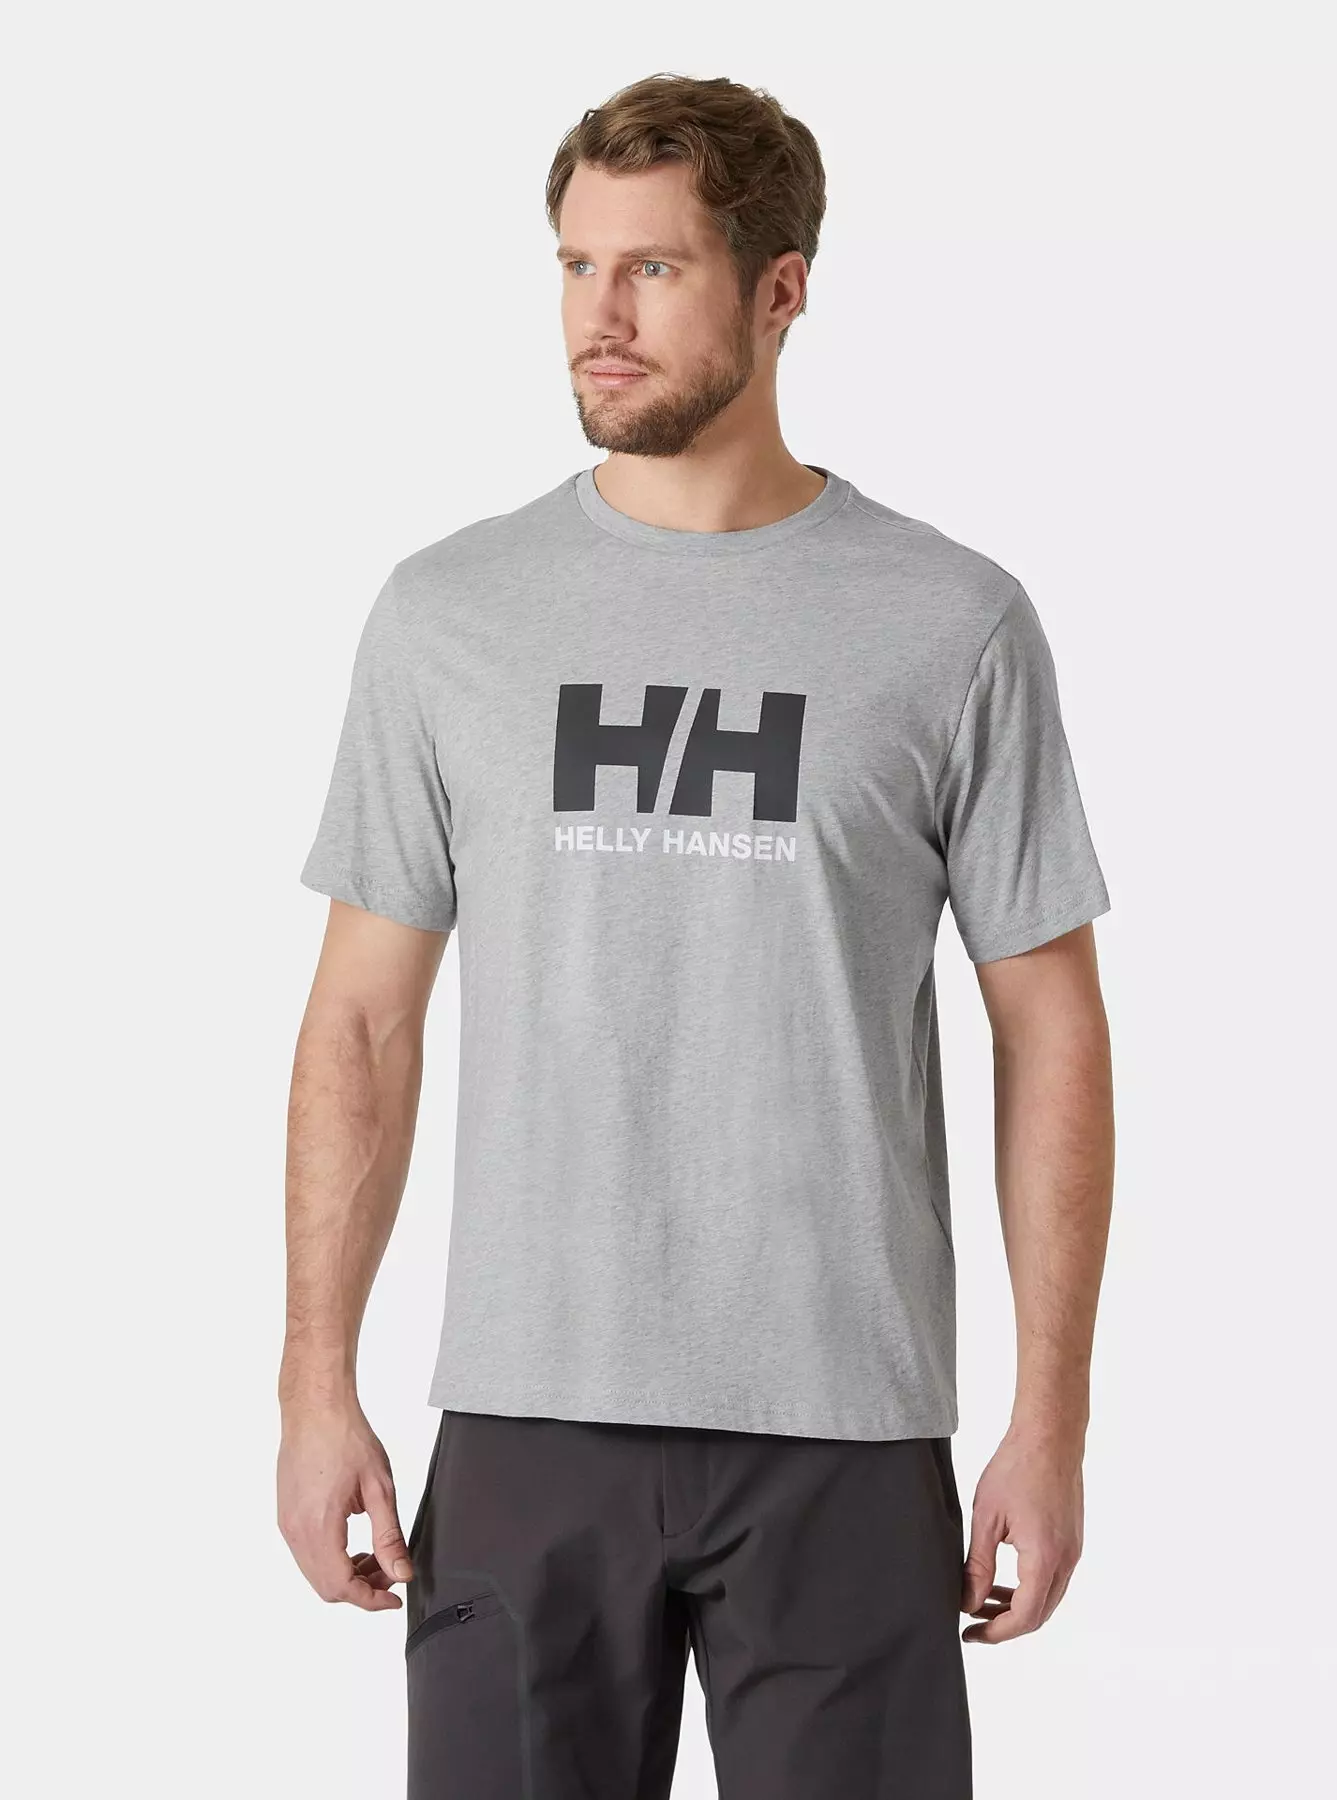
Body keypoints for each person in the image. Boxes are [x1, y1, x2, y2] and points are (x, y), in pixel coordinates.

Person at [277, 71, 1115, 1800]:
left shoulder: (950, 623)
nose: (600, 314)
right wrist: (312, 1382)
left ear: (779, 288)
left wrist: (1049, 1420)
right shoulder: (449, 615)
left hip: (845, 1428)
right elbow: (361, 1020)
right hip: (525, 1417)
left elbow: (1049, 1026)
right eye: (576, 264)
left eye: (652, 268)